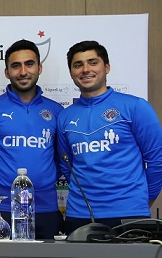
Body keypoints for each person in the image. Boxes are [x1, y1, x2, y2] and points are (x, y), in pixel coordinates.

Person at [57, 40, 162, 232]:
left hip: (130, 213)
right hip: (79, 215)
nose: (85, 70)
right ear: (71, 72)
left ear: (106, 67)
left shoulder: (135, 107)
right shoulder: (65, 116)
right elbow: (67, 165)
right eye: (78, 65)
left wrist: (144, 200)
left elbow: (157, 160)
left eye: (93, 62)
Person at [0, 39, 64, 239]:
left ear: (39, 68)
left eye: (29, 64)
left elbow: (61, 159)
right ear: (7, 72)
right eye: (16, 66)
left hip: (46, 208)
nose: (23, 71)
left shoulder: (56, 111)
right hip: (0, 208)